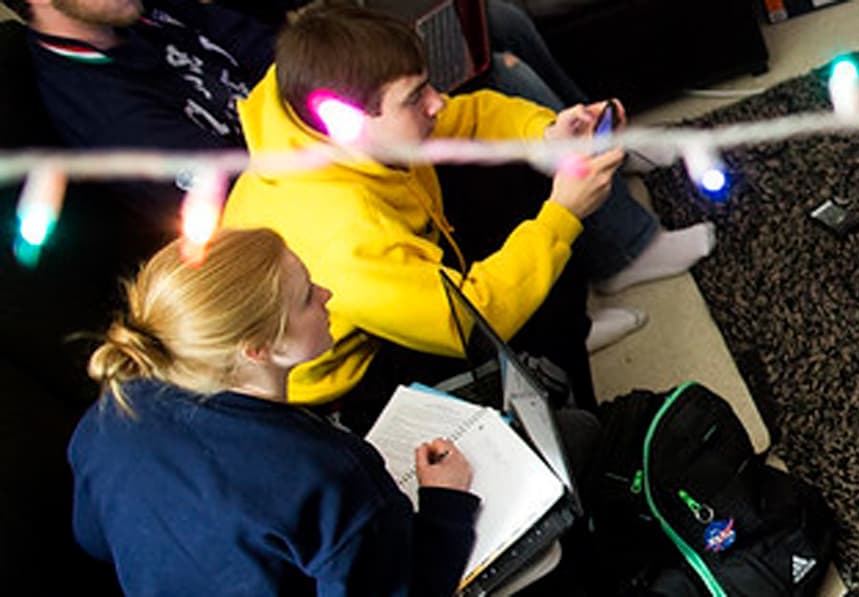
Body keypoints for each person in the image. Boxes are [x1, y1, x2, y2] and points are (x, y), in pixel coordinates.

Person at [13, 0, 711, 296]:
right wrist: (363, 113)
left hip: (327, 110)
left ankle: (606, 142)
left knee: (490, 21)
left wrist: (354, 69)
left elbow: (277, 51)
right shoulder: (92, 101)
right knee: (498, 78)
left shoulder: (147, 15)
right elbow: (229, 189)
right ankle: (623, 248)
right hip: (308, 180)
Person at [219, 3, 614, 428]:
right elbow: (472, 319)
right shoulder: (345, 234)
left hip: (401, 278)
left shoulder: (311, 108)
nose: (438, 102)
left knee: (532, 220)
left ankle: (568, 365)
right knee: (546, 275)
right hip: (352, 375)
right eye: (414, 98)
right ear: (343, 121)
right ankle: (578, 420)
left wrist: (544, 132)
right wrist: (564, 213)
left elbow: (465, 117)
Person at [70, 228, 480, 595]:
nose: (325, 295)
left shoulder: (108, 418)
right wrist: (445, 504)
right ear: (258, 349)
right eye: (305, 298)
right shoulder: (330, 475)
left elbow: (93, 540)